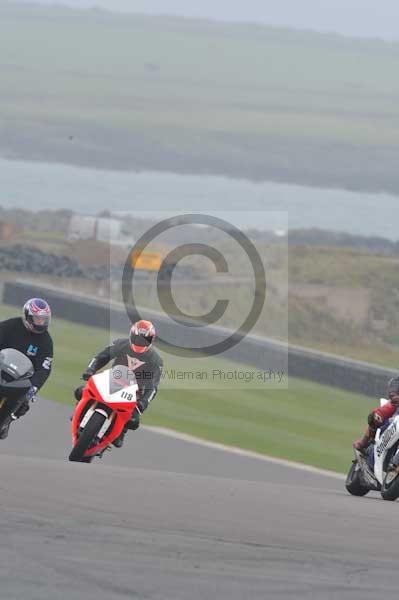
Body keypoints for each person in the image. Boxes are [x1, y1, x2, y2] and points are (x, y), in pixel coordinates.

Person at [76, 319, 163, 448]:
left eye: (144, 339)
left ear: (151, 340)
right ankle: (80, 410)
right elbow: (101, 357)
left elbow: (153, 387)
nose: (140, 342)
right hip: (111, 380)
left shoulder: (156, 360)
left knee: (133, 421)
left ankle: (121, 431)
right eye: (138, 338)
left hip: (134, 392)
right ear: (131, 334)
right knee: (80, 391)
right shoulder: (120, 344)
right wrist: (90, 369)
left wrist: (142, 404)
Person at [0, 298, 53, 439]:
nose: (40, 323)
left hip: (21, 379)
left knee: (23, 405)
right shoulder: (11, 325)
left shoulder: (46, 341)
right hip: (1, 368)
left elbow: (45, 368)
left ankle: (6, 421)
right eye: (37, 319)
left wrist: (34, 388)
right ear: (27, 316)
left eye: (44, 319)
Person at [353, 377, 399, 452]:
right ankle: (364, 442)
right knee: (377, 416)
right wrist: (394, 395)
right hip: (396, 408)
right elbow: (394, 383)